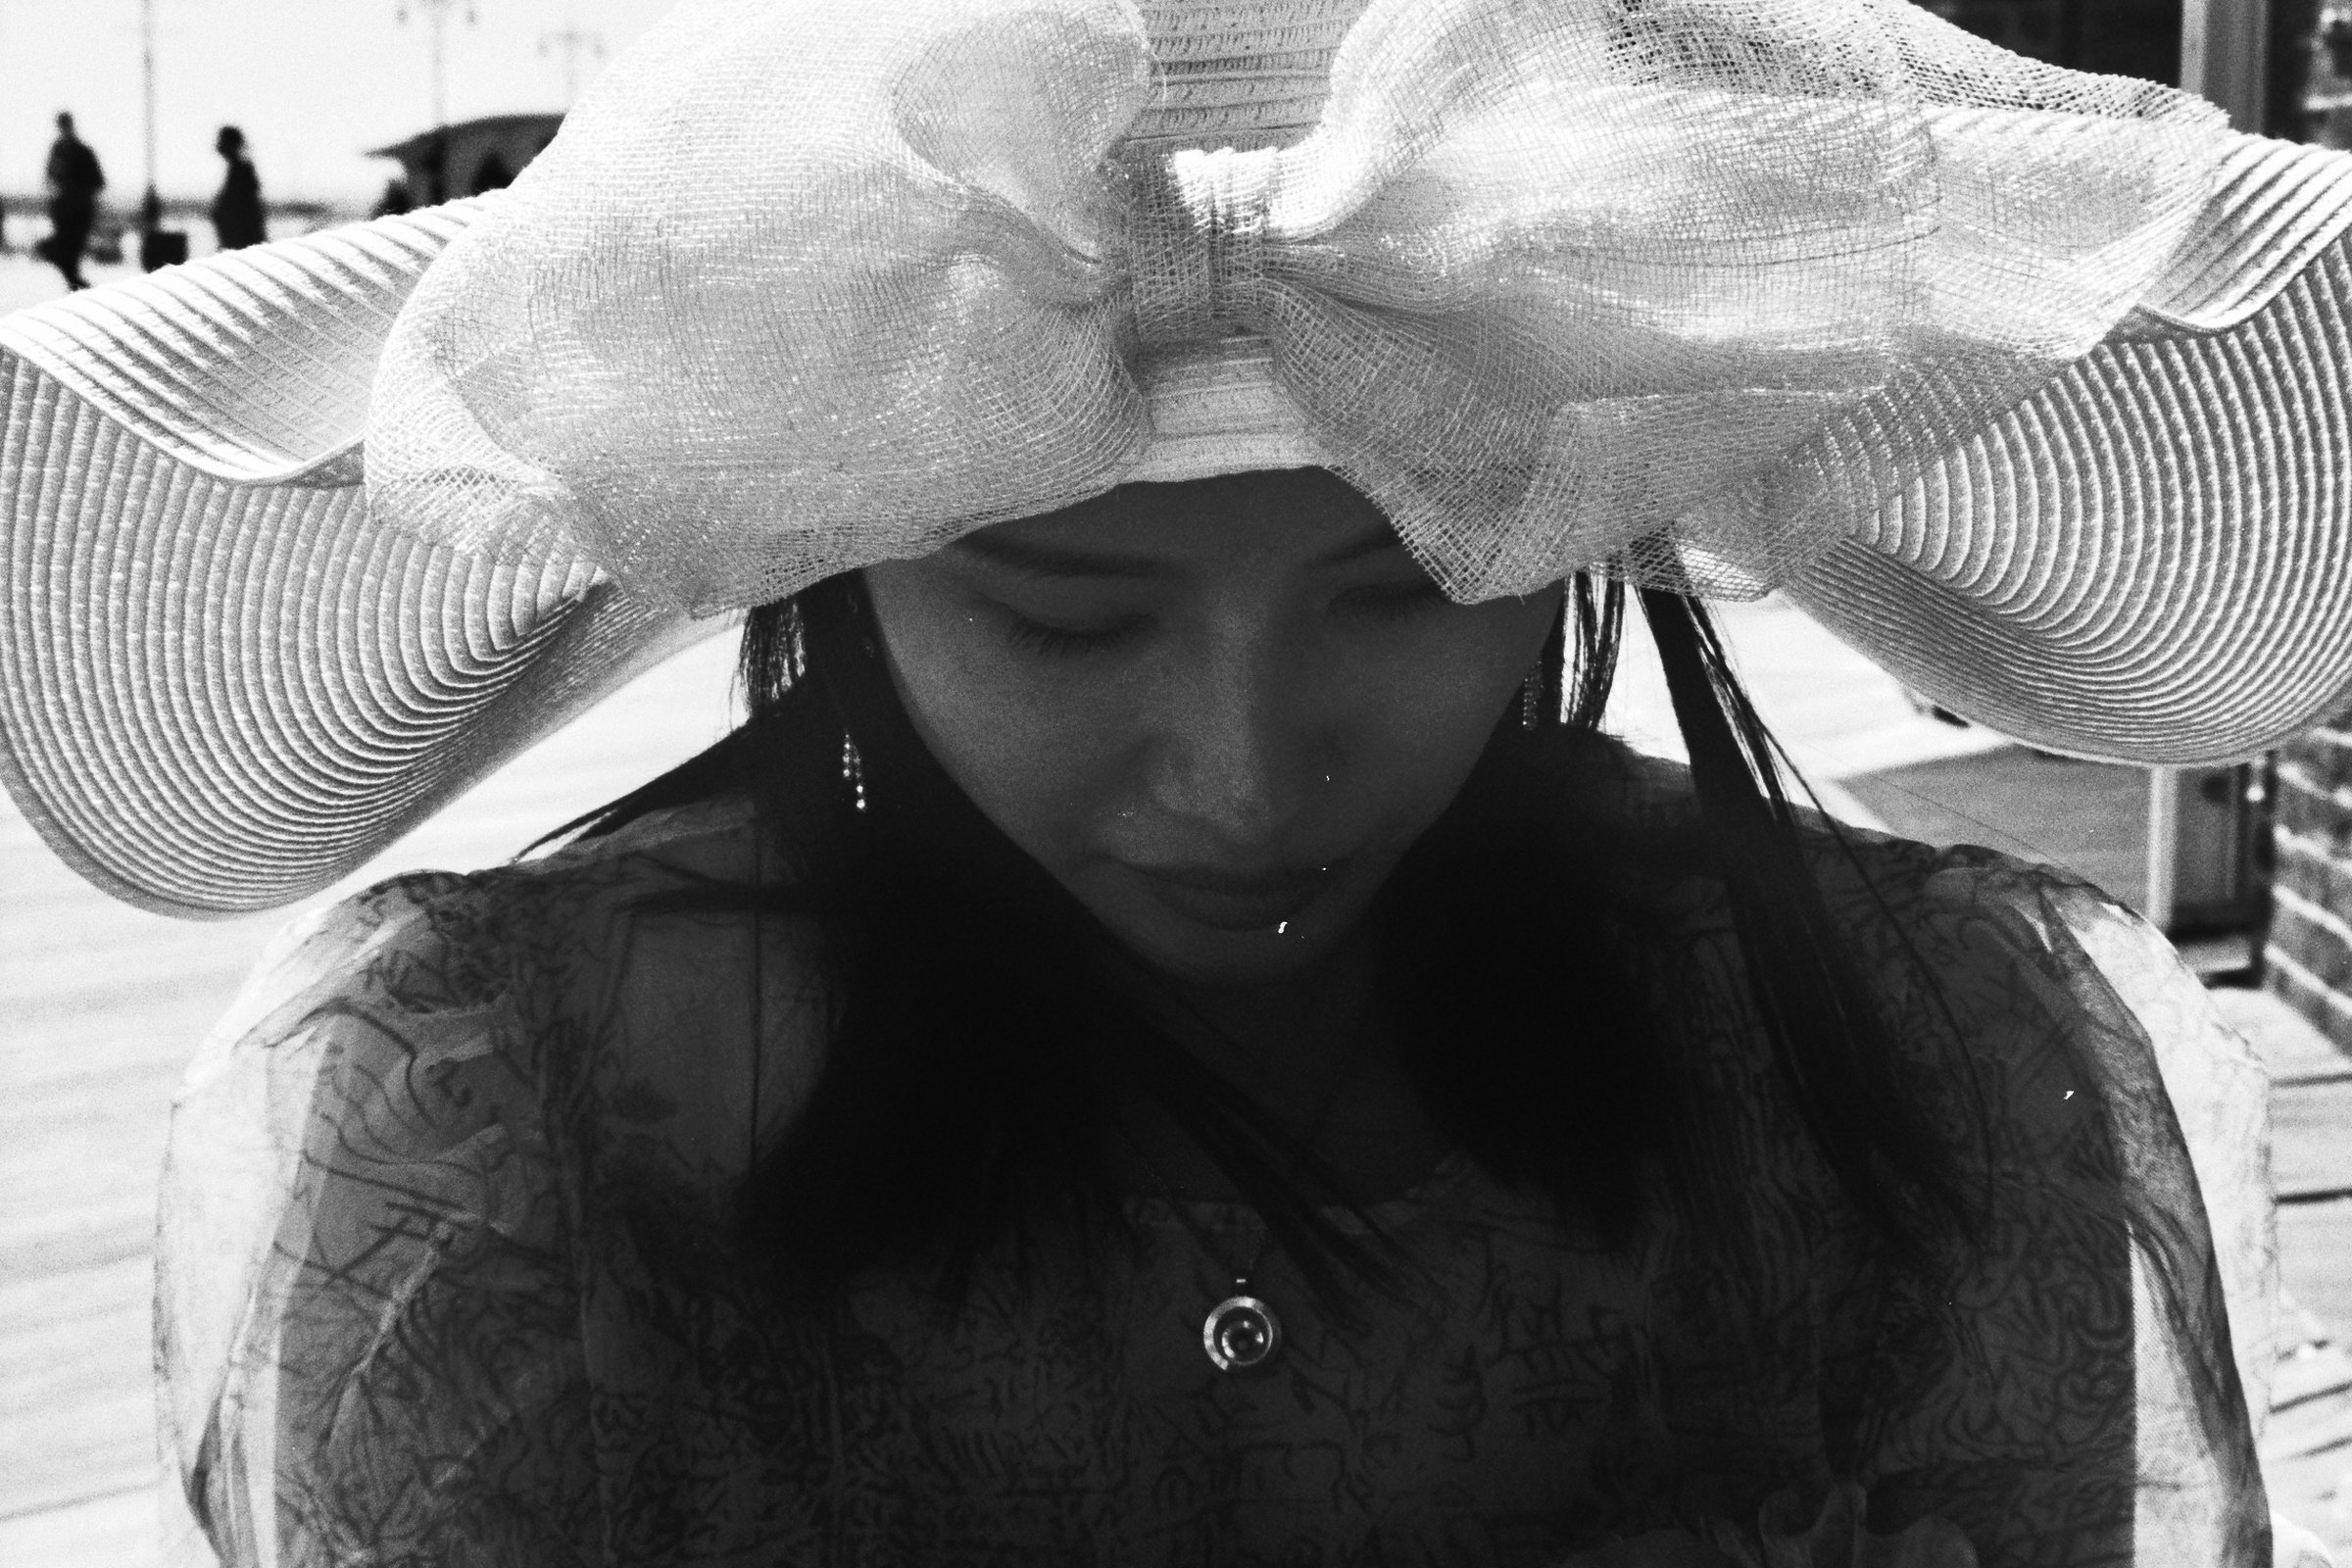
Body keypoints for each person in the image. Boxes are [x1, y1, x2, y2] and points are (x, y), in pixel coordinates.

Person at [1, 0, 2344, 1562]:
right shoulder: (499, 1133)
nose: (1245, 772)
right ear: (827, 560)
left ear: (1585, 525)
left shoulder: (1939, 1063)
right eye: (1061, 607)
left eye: (1407, 575)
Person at [34, 111, 104, 290]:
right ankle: (77, 285)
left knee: (71, 252)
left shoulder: (82, 151)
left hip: (79, 210)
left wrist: (77, 191)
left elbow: (98, 181)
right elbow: (49, 177)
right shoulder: (58, 150)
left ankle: (77, 285)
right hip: (64, 210)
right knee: (65, 253)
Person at [207, 125, 266, 252]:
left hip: (242, 244)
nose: (219, 145)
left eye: (222, 141)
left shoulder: (242, 170)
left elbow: (245, 211)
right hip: (235, 243)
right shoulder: (237, 169)